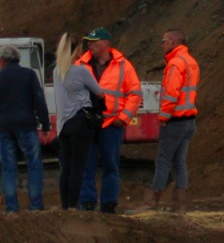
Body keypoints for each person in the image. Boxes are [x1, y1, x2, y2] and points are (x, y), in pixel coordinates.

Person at [77, 27, 143, 214]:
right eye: (89, 42)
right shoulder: (81, 65)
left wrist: (123, 118)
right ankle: (87, 202)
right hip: (88, 123)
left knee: (111, 165)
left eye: (93, 42)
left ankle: (109, 203)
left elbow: (135, 94)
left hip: (112, 124)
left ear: (105, 43)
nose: (90, 45)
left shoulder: (123, 65)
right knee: (86, 164)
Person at [142, 29, 200, 213]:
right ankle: (179, 204)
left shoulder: (175, 64)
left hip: (175, 121)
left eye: (164, 41)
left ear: (173, 42)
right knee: (179, 161)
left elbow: (171, 94)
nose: (161, 45)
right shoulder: (191, 62)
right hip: (189, 120)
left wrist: (163, 117)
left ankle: (152, 202)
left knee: (163, 160)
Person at [53, 33, 105, 210]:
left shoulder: (56, 71)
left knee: (66, 167)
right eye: (80, 48)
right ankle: (73, 207)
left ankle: (65, 206)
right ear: (75, 50)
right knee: (78, 166)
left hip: (63, 124)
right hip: (81, 121)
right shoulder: (81, 71)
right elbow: (99, 92)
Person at [0, 44, 52, 212]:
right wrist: (45, 125)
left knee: (8, 168)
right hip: (26, 125)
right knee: (34, 164)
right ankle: (35, 205)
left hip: (4, 127)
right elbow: (39, 100)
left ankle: (11, 207)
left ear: (2, 60)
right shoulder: (29, 75)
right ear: (18, 59)